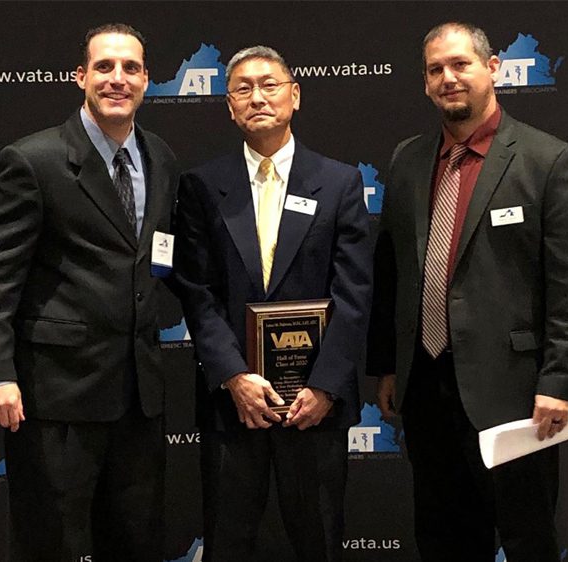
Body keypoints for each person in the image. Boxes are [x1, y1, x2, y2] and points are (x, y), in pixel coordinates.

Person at [368, 22, 568, 561]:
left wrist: (560, 381)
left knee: (527, 541)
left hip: (516, 394)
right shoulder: (407, 159)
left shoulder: (550, 160)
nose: (448, 78)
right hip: (425, 387)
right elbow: (392, 268)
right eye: (435, 70)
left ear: (491, 69)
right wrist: (387, 365)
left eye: (460, 65)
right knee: (443, 540)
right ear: (425, 83)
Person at [0, 23, 179, 562]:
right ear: (80, 76)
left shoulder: (161, 157)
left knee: (136, 542)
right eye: (104, 67)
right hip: (56, 398)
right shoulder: (32, 161)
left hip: (138, 398)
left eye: (131, 68)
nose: (118, 79)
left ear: (147, 81)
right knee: (50, 544)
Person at [172, 46, 372, 562]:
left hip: (316, 409)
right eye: (242, 88)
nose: (257, 97)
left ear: (295, 95)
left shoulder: (340, 182)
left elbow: (353, 293)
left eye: (270, 84)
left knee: (320, 544)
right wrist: (234, 376)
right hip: (234, 406)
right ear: (229, 106)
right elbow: (197, 291)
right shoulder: (200, 186)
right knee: (228, 544)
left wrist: (325, 385)